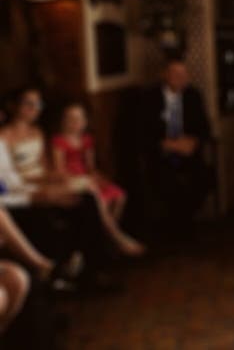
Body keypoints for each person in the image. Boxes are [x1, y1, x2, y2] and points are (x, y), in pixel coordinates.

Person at [0, 88, 144, 257]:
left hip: (44, 178)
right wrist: (47, 180)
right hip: (25, 183)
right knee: (83, 188)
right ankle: (114, 237)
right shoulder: (4, 136)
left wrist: (56, 177)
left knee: (87, 189)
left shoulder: (37, 131)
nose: (34, 109)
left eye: (38, 104)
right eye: (28, 104)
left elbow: (44, 165)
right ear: (14, 106)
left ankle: (98, 243)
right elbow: (11, 175)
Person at [139, 58, 213, 233]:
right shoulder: (150, 98)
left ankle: (184, 223)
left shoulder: (193, 95)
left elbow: (205, 128)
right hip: (161, 155)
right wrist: (166, 144)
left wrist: (193, 142)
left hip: (188, 153)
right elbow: (142, 133)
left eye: (184, 75)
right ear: (164, 75)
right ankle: (178, 227)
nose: (181, 79)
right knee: (168, 183)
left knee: (202, 179)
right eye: (176, 74)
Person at [52, 103, 127, 220]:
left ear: (85, 121)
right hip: (71, 179)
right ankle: (106, 230)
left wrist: (97, 177)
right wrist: (80, 180)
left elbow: (90, 166)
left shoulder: (87, 140)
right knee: (99, 201)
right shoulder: (59, 141)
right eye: (71, 119)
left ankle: (111, 226)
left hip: (86, 176)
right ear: (64, 121)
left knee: (119, 195)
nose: (76, 122)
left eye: (79, 118)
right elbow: (59, 169)